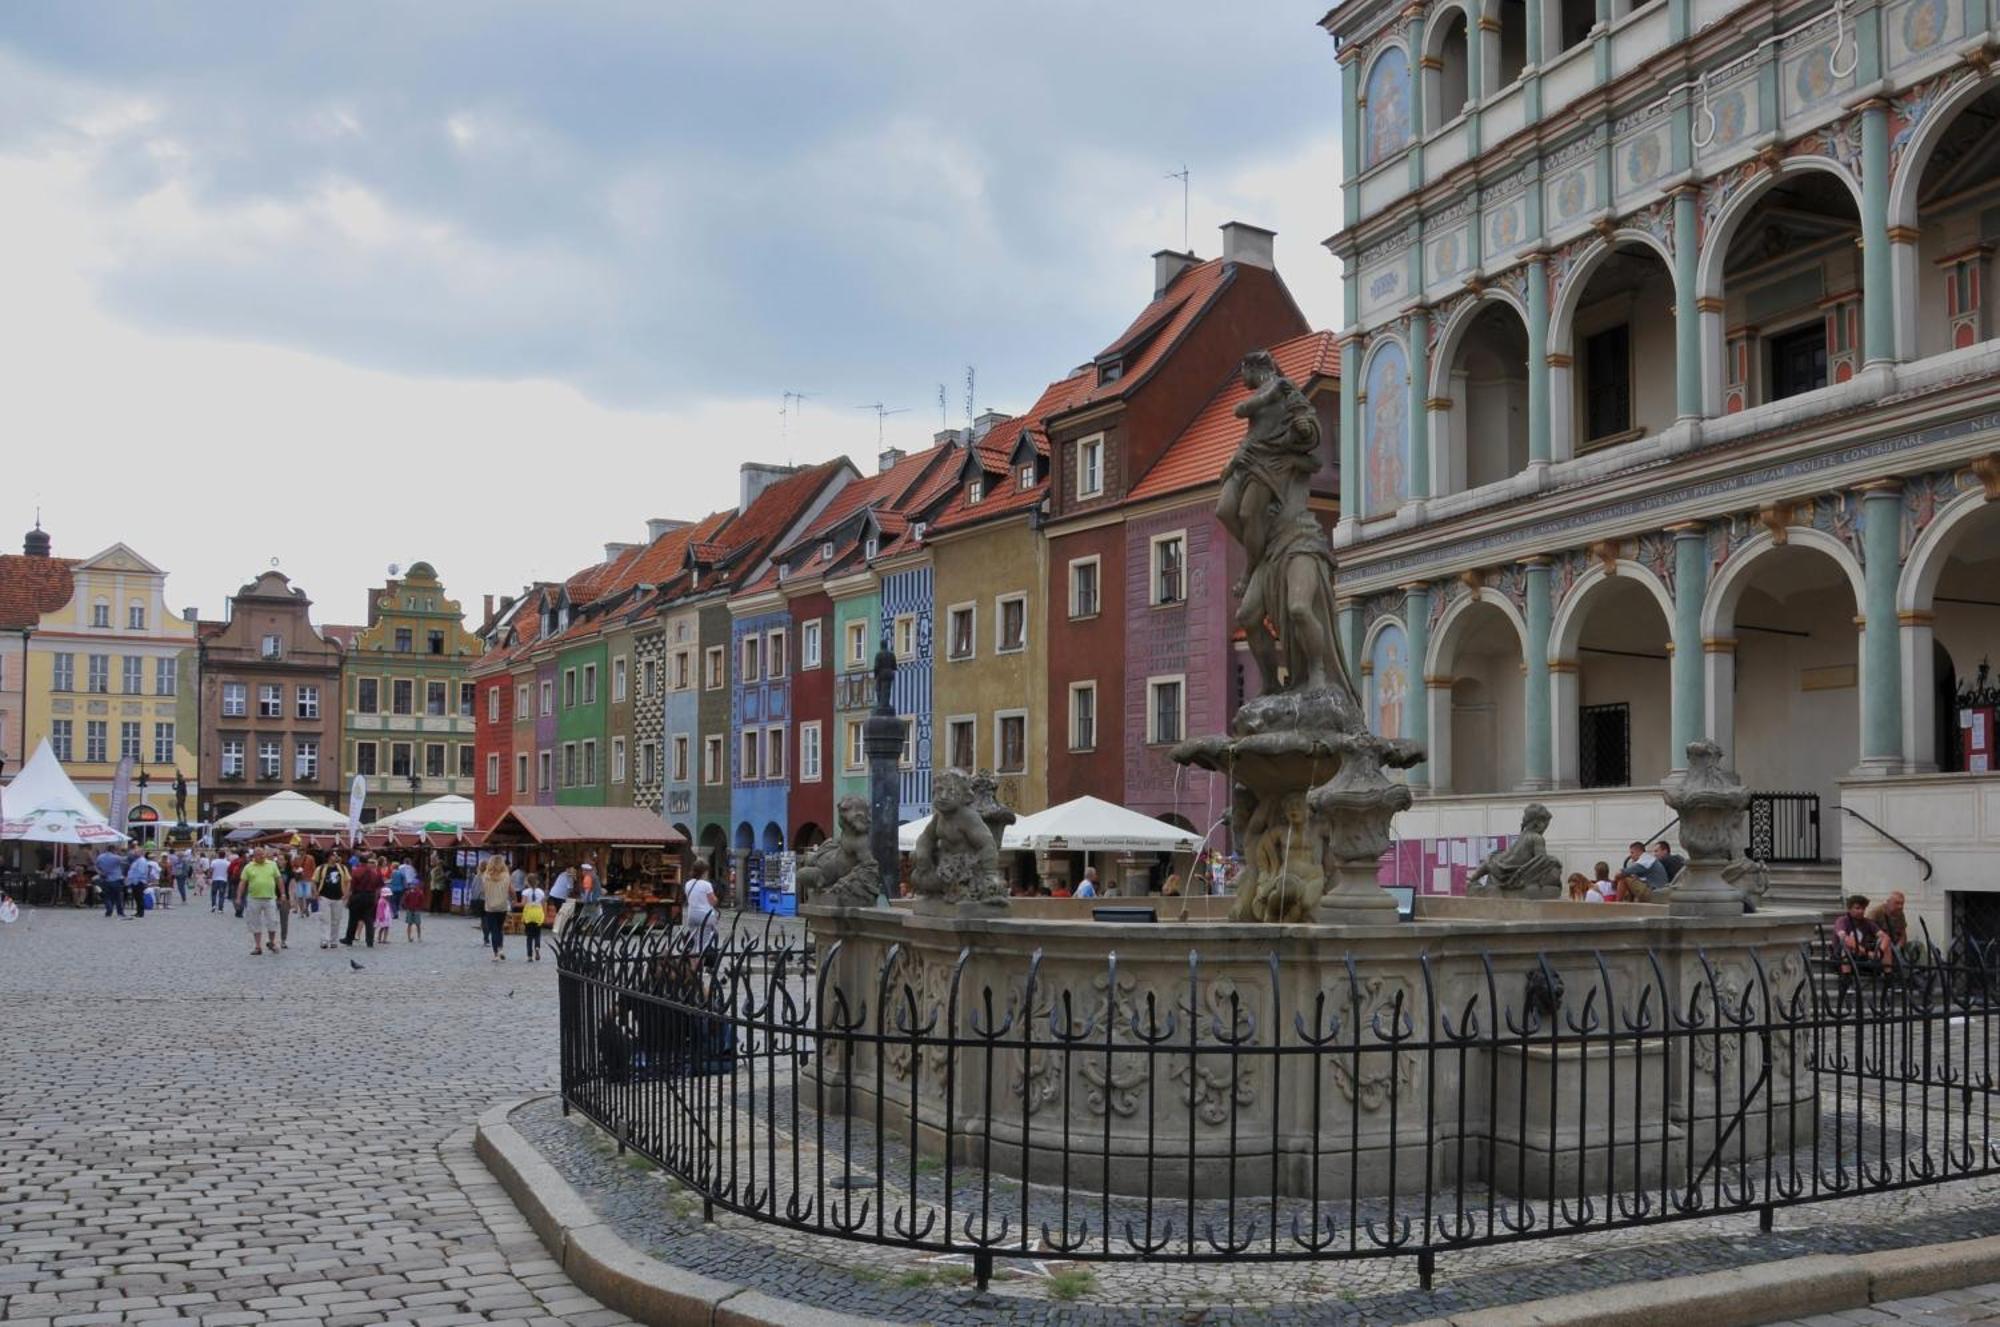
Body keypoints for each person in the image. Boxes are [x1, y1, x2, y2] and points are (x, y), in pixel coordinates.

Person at [237, 847, 284, 956]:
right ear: (254, 856)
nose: (262, 856)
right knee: (255, 923)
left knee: (272, 921)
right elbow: (243, 882)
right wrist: (239, 897)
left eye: (263, 854)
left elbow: (279, 879)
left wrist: (283, 894)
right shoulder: (248, 867)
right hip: (254, 898)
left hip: (270, 898)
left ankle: (271, 942)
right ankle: (258, 946)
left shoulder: (272, 865)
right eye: (259, 855)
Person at [1835, 893, 1894, 973]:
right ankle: (1846, 981)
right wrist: (1867, 953)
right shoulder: (1842, 921)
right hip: (1841, 958)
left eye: (1863, 908)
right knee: (1846, 947)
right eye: (1857, 908)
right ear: (1849, 909)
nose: (1861, 911)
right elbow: (1845, 939)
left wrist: (1879, 952)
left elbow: (1885, 937)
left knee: (1887, 947)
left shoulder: (1867, 922)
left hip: (1861, 957)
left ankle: (1888, 979)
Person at [1866, 890, 1924, 967]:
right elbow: (1867, 933)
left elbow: (1903, 934)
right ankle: (1907, 972)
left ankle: (1922, 970)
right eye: (1897, 903)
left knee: (1919, 946)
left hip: (1896, 945)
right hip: (1880, 946)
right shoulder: (1876, 913)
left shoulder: (1900, 914)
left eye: (1902, 903)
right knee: (1893, 954)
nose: (1900, 906)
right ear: (1888, 902)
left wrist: (1899, 946)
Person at [343, 854, 382, 947]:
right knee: (369, 919)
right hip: (370, 896)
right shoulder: (374, 873)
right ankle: (370, 941)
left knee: (353, 918)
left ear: (359, 862)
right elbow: (378, 887)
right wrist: (375, 898)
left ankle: (349, 939)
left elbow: (352, 887)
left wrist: (347, 898)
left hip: (358, 896)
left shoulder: (356, 871)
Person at [478, 857, 513, 961]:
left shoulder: (485, 876)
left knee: (493, 930)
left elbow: (483, 890)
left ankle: (496, 954)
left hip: (490, 907)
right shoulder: (506, 876)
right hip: (502, 906)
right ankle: (501, 948)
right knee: (500, 928)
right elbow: (511, 890)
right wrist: (513, 899)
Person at [682, 862, 720, 958]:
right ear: (703, 872)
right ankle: (699, 967)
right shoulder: (706, 884)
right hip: (705, 916)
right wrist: (717, 899)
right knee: (703, 944)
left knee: (695, 942)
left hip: (692, 915)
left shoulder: (688, 884)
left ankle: (692, 967)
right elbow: (713, 901)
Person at [315, 853, 348, 949]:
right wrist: (316, 892)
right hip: (324, 896)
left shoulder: (342, 868)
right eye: (334, 855)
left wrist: (346, 893)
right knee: (324, 919)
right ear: (329, 858)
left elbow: (348, 880)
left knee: (336, 920)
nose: (336, 857)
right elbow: (314, 880)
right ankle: (324, 940)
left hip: (338, 897)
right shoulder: (321, 868)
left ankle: (334, 940)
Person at [519, 874, 548, 961]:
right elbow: (543, 905)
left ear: (527, 882)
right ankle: (537, 947)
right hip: (538, 913)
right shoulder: (541, 892)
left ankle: (529, 956)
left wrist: (516, 903)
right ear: (537, 882)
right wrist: (544, 915)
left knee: (529, 936)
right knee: (537, 934)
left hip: (529, 914)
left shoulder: (525, 892)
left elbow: (523, 903)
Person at [95, 844, 127, 918]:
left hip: (105, 878)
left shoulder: (100, 857)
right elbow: (125, 860)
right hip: (116, 879)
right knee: (118, 897)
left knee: (107, 896)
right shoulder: (116, 857)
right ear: (113, 850)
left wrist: (100, 872)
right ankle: (120, 912)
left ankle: (109, 910)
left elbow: (96, 866)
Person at [402, 869, 429, 943]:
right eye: (412, 885)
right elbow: (405, 901)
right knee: (410, 924)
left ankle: (419, 937)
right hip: (410, 909)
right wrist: (407, 907)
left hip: (416, 909)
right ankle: (409, 937)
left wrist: (419, 907)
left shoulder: (419, 893)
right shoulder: (408, 893)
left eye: (415, 885)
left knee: (417, 924)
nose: (413, 887)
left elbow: (422, 901)